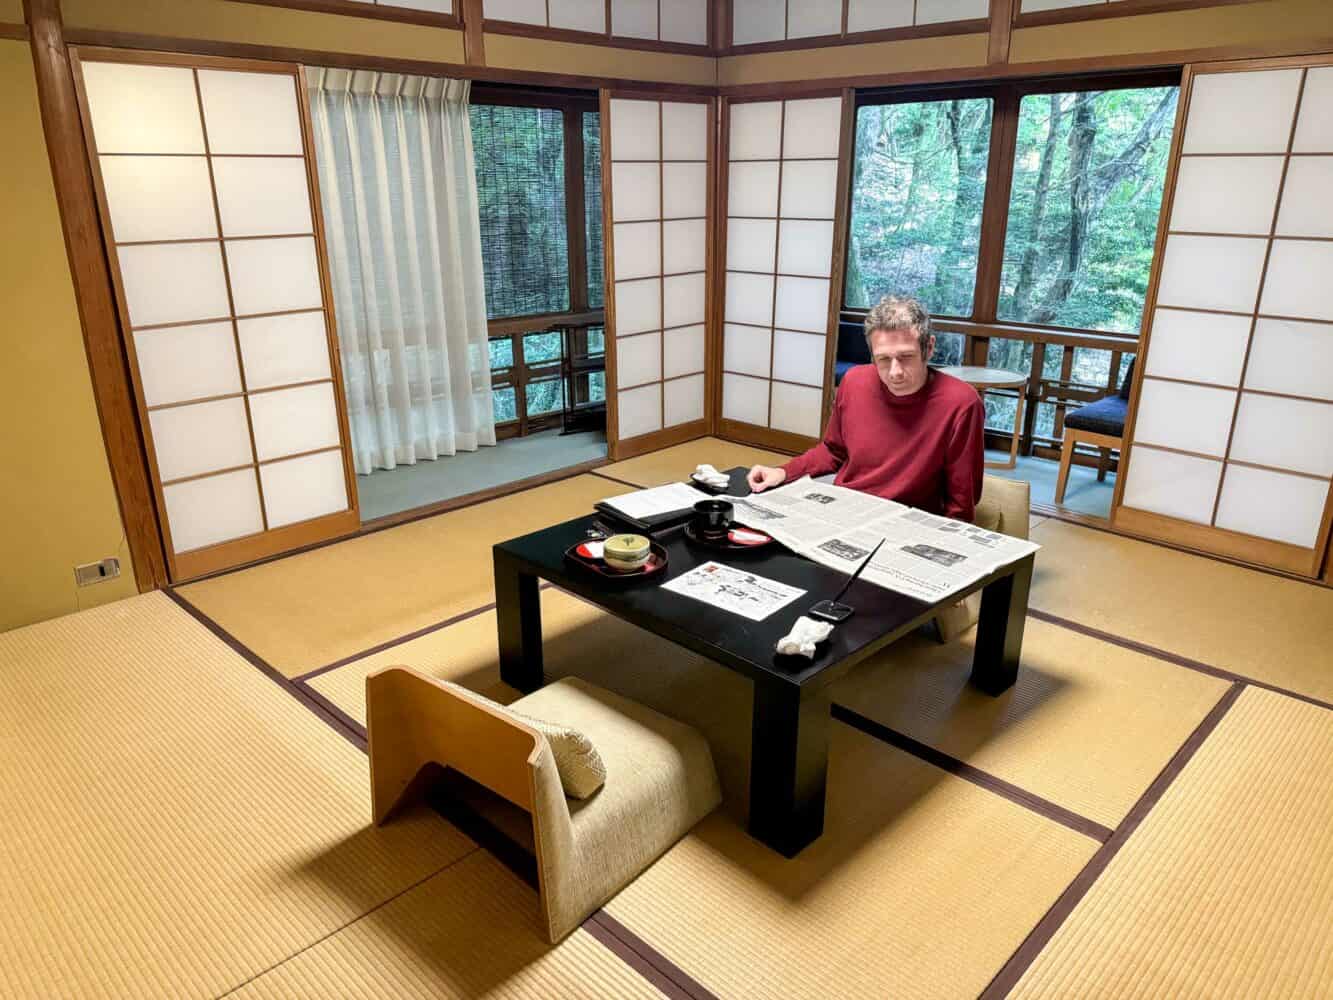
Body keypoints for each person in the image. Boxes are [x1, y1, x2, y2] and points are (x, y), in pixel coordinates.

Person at [747, 294, 985, 522]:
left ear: (929, 347)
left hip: (907, 520)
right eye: (883, 359)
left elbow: (961, 503)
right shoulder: (854, 382)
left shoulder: (961, 403)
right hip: (846, 507)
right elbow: (833, 451)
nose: (895, 372)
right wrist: (783, 472)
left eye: (906, 357)